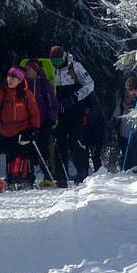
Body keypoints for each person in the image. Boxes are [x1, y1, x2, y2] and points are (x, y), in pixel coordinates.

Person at [0, 66, 42, 188]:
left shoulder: (26, 94)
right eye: (9, 76)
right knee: (10, 155)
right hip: (6, 130)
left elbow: (34, 113)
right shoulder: (2, 92)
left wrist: (35, 128)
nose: (10, 80)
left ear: (20, 80)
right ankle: (12, 178)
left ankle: (25, 178)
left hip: (23, 128)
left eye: (14, 77)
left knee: (22, 153)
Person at [49, 45, 95, 184]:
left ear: (64, 57)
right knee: (59, 142)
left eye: (59, 60)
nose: (56, 64)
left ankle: (82, 173)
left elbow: (89, 84)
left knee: (77, 141)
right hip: (58, 110)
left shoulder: (75, 67)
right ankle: (60, 176)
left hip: (75, 108)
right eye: (53, 61)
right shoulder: (50, 69)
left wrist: (75, 97)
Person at [19, 53, 62, 186]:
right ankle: (28, 177)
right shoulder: (23, 85)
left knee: (43, 149)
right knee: (28, 149)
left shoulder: (44, 84)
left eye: (29, 69)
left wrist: (52, 118)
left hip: (44, 121)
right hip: (28, 122)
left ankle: (47, 175)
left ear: (36, 70)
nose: (27, 72)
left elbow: (53, 103)